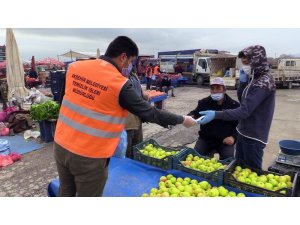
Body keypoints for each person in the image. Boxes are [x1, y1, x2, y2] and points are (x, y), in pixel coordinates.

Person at [53, 36, 197, 197]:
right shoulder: (118, 83)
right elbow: (150, 112)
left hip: (61, 145)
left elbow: (62, 102)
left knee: (65, 193)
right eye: (130, 62)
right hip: (89, 156)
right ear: (123, 57)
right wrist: (182, 119)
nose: (129, 66)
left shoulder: (76, 67)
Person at [198, 45, 276, 169]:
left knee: (251, 173)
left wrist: (216, 114)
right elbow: (243, 101)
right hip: (243, 132)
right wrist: (243, 83)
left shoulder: (264, 82)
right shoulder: (254, 80)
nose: (245, 65)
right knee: (238, 169)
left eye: (247, 62)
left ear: (257, 61)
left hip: (254, 136)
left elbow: (244, 111)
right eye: (243, 62)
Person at [187, 77, 239, 160]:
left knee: (229, 160)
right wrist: (190, 117)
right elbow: (195, 113)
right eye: (212, 88)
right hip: (206, 139)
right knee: (194, 158)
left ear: (224, 90)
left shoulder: (234, 105)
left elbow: (239, 124)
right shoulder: (204, 102)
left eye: (218, 88)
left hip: (224, 140)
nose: (215, 91)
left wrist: (233, 137)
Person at [124, 62, 149, 158]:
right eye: (129, 60)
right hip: (126, 122)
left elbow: (138, 89)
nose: (130, 63)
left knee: (138, 149)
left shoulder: (133, 74)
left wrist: (143, 93)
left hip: (137, 118)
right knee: (127, 152)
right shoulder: (118, 76)